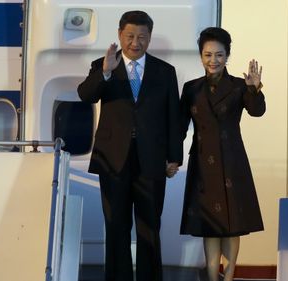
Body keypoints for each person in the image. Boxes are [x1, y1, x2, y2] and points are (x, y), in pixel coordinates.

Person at [77, 10, 182, 281]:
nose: (136, 42)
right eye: (130, 36)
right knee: (116, 226)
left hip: (152, 159)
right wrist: (106, 73)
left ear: (150, 38)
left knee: (149, 227)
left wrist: (174, 157)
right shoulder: (103, 64)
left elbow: (174, 117)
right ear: (120, 35)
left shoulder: (165, 71)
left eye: (142, 37)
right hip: (113, 160)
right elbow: (85, 95)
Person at [179, 27, 265, 281]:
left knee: (231, 222)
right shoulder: (191, 88)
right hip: (203, 161)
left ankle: (228, 277)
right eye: (208, 55)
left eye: (219, 55)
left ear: (227, 55)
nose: (213, 60)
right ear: (200, 56)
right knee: (209, 225)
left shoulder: (241, 86)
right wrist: (172, 157)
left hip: (231, 160)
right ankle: (212, 276)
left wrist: (254, 89)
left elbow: (257, 111)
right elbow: (179, 126)